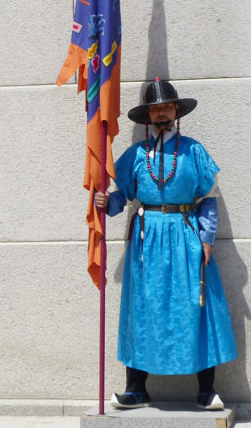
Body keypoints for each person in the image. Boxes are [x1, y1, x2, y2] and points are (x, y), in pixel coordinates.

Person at [93, 78, 237, 411]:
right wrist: (106, 202)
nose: (161, 114)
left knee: (195, 305)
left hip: (186, 236)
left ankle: (206, 390)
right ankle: (136, 389)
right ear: (147, 116)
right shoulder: (134, 156)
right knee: (142, 307)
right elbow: (122, 198)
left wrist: (207, 238)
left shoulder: (194, 151)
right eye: (155, 109)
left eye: (166, 107)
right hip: (146, 241)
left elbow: (208, 199)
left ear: (176, 112)